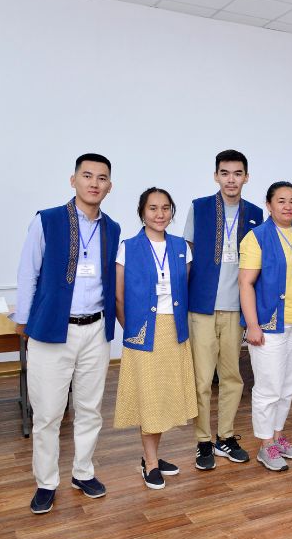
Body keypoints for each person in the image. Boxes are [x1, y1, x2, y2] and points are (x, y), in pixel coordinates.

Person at [14, 154, 120, 514]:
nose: (94, 183)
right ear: (73, 180)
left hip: (95, 330)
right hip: (53, 330)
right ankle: (46, 481)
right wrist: (24, 321)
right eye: (87, 175)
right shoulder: (47, 220)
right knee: (47, 413)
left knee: (90, 409)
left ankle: (83, 472)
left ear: (109, 186)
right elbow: (28, 272)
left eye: (101, 178)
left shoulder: (112, 228)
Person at [183, 149, 263, 471]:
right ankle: (203, 440)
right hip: (202, 307)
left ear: (246, 177)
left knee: (232, 377)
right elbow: (187, 256)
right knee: (202, 380)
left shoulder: (255, 213)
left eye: (237, 173)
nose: (231, 179)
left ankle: (225, 436)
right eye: (225, 173)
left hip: (236, 309)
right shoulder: (199, 208)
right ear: (216, 176)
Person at [114, 188, 198, 490]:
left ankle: (151, 456)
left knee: (162, 397)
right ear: (142, 212)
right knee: (149, 397)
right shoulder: (128, 247)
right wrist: (133, 330)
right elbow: (119, 297)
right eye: (152, 208)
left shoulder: (180, 247)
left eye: (165, 208)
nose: (159, 214)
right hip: (143, 333)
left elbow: (184, 287)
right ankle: (150, 462)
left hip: (174, 331)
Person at [239, 181, 292, 472]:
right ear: (269, 205)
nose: (288, 206)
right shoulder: (256, 237)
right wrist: (252, 325)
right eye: (281, 201)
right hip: (269, 325)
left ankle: (278, 436)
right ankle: (265, 445)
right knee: (268, 388)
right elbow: (245, 283)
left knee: (289, 386)